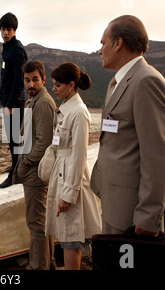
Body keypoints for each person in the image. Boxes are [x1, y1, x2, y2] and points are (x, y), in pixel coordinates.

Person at [90, 15, 165, 236]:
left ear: (118, 43)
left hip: (132, 213)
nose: (100, 50)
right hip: (115, 203)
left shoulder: (147, 81)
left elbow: (158, 156)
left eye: (103, 43)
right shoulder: (116, 83)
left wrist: (148, 216)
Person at [45, 62, 102, 270]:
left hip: (70, 177)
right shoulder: (66, 109)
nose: (53, 88)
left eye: (58, 85)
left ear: (71, 85)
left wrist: (68, 194)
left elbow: (79, 156)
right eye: (53, 84)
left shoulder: (78, 112)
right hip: (62, 173)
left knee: (71, 237)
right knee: (66, 233)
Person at [13, 60, 57, 270]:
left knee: (35, 222)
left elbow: (44, 142)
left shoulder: (43, 102)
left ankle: (39, 266)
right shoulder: (32, 100)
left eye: (35, 80)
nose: (31, 84)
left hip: (36, 172)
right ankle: (48, 261)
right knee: (41, 220)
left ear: (43, 79)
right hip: (31, 169)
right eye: (27, 80)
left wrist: (25, 164)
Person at [0, 12, 28, 188]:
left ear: (14, 30)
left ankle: (15, 175)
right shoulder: (7, 48)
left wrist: (10, 103)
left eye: (9, 29)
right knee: (12, 138)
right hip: (7, 100)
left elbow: (19, 79)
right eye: (3, 29)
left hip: (14, 102)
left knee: (16, 138)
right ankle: (14, 166)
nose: (5, 32)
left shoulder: (17, 50)